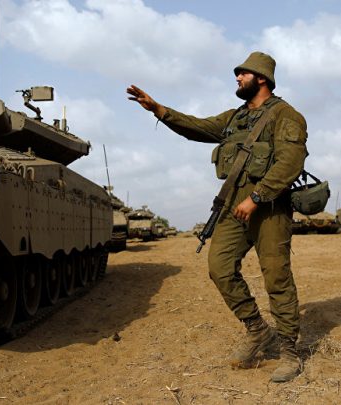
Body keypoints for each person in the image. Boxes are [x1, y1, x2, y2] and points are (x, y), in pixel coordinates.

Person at [126, 51, 307, 383]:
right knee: (219, 267)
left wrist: (256, 197)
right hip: (233, 207)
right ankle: (257, 330)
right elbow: (197, 126)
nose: (237, 78)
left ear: (261, 78)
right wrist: (158, 109)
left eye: (243, 74)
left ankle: (289, 351)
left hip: (269, 208)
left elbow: (289, 162)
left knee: (276, 278)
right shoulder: (235, 117)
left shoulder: (286, 115)